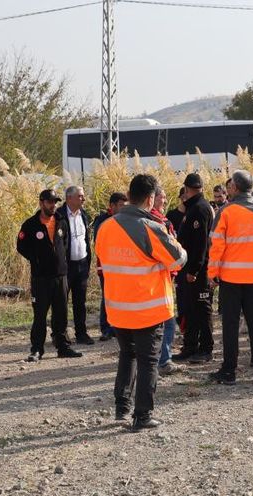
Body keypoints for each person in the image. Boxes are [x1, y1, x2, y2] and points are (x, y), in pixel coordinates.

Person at [96, 174, 187, 431]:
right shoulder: (151, 228)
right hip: (148, 308)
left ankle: (122, 408)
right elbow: (178, 259)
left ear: (129, 195)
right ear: (150, 199)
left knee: (128, 356)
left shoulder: (106, 227)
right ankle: (142, 415)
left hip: (118, 308)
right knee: (148, 361)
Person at [208, 170, 253, 385]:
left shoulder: (226, 211)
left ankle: (229, 371)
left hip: (230, 278)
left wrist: (212, 274)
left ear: (234, 188)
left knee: (230, 326)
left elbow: (216, 246)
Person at [16, 189, 82, 361]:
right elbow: (21, 246)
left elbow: (65, 244)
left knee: (61, 314)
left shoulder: (61, 221)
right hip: (41, 277)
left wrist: (60, 261)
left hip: (60, 276)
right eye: (49, 202)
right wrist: (37, 259)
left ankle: (63, 347)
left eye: (55, 202)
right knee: (40, 315)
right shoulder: (30, 224)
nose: (53, 205)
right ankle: (37, 349)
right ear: (41, 203)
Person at [173, 174, 215, 364]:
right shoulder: (193, 207)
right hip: (189, 267)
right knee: (190, 309)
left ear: (187, 189)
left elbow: (201, 245)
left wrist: (194, 271)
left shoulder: (200, 208)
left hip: (198, 270)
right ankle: (190, 346)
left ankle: (206, 348)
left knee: (202, 309)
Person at [150, 186, 184, 375]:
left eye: (164, 197)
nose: (163, 201)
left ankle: (158, 359)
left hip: (164, 276)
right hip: (158, 278)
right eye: (160, 197)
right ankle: (163, 361)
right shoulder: (155, 222)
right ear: (151, 198)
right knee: (167, 321)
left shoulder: (161, 220)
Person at [57, 186, 94, 345]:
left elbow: (85, 239)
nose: (83, 199)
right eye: (80, 196)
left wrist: (87, 262)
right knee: (61, 302)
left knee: (80, 302)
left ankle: (81, 333)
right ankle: (60, 334)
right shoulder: (59, 216)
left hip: (82, 264)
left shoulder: (83, 214)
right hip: (66, 267)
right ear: (69, 198)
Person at [93, 192, 128, 341]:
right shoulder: (102, 220)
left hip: (123, 266)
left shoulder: (125, 220)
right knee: (107, 296)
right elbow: (99, 242)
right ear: (112, 206)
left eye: (125, 206)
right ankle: (106, 328)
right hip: (106, 266)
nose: (123, 209)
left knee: (121, 296)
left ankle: (119, 326)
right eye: (120, 205)